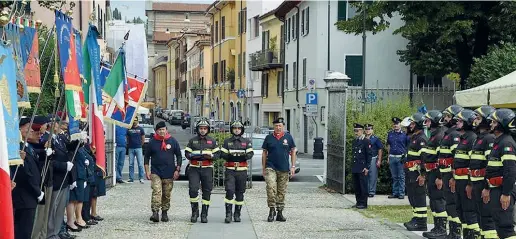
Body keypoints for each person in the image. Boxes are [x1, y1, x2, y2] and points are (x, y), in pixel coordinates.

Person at [483, 109, 516, 239]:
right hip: (495, 188)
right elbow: (491, 167)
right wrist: (487, 187)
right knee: (499, 224)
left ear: (501, 123)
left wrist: (506, 193)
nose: (490, 124)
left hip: (503, 189)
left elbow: (510, 170)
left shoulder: (506, 143)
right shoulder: (498, 142)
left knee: (505, 225)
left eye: (493, 122)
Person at [12, 117, 44, 239]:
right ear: (19, 129)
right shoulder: (18, 147)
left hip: (30, 195)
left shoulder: (26, 145)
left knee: (27, 228)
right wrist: (36, 191)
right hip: (24, 194)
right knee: (23, 230)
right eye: (28, 127)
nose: (31, 130)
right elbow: (22, 173)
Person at [144, 121, 182, 222]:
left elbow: (179, 155)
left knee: (166, 193)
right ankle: (155, 212)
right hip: (156, 171)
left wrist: (177, 169)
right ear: (156, 131)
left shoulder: (172, 141)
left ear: (166, 130)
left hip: (169, 172)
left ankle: (164, 212)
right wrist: (147, 171)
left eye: (163, 129)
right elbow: (146, 157)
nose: (161, 132)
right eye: (159, 130)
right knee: (157, 191)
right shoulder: (152, 142)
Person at [185, 118, 220, 223]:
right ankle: (194, 213)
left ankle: (204, 214)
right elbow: (187, 153)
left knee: (207, 191)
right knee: (193, 190)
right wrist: (192, 156)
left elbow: (218, 154)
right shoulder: (192, 141)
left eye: (205, 128)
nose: (203, 130)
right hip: (194, 168)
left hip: (207, 168)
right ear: (198, 129)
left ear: (208, 129)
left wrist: (211, 156)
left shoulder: (212, 141)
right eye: (201, 128)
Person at [261, 117, 297, 222]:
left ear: (283, 126)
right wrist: (263, 168)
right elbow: (264, 153)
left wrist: (293, 166)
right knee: (271, 188)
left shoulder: (288, 137)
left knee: (282, 191)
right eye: (276, 126)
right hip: (270, 167)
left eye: (280, 126)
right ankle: (272, 210)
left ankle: (280, 212)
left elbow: (293, 151)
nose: (278, 127)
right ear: (274, 127)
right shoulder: (268, 138)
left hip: (284, 168)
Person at [436, 104, 463, 238]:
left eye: (448, 116)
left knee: (453, 203)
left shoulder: (454, 135)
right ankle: (452, 232)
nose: (445, 118)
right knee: (450, 204)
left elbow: (456, 157)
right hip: (446, 174)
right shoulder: (448, 133)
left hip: (451, 175)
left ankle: (456, 233)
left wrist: (453, 176)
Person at [470, 106, 496, 239]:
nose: (475, 120)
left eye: (478, 118)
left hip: (483, 183)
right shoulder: (479, 137)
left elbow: (489, 165)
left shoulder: (489, 139)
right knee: (480, 214)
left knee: (487, 217)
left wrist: (487, 187)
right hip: (476, 182)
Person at [420, 110, 448, 239]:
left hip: (437, 173)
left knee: (438, 201)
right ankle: (437, 227)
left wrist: (439, 177)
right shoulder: (433, 135)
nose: (426, 123)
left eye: (429, 120)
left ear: (435, 121)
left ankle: (441, 229)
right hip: (431, 172)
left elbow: (440, 158)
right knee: (433, 201)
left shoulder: (439, 136)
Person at [451, 109, 478, 238]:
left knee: (470, 211)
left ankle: (472, 235)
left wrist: (469, 183)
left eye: (460, 121)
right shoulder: (463, 138)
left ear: (468, 122)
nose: (457, 123)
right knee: (461, 210)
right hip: (459, 180)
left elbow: (473, 164)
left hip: (467, 182)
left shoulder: (472, 138)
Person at [220, 120, 254, 223]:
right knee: (229, 191)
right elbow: (223, 155)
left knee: (240, 193)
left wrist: (235, 155)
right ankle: (228, 214)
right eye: (235, 128)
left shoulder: (246, 141)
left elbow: (249, 155)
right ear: (232, 130)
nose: (237, 130)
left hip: (241, 171)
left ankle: (237, 214)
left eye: (239, 128)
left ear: (242, 130)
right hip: (230, 170)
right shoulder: (227, 141)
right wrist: (239, 155)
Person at [403, 112, 428, 231]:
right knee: (413, 197)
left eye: (412, 123)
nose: (410, 126)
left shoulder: (421, 139)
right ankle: (416, 218)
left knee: (419, 197)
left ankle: (421, 222)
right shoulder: (415, 137)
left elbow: (425, 159)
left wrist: (423, 175)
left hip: (417, 174)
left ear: (417, 124)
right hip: (411, 173)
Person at [386, 117, 409, 199]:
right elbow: (389, 145)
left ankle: (401, 193)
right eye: (394, 124)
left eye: (397, 123)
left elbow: (407, 146)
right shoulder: (390, 134)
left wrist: (406, 156)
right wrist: (388, 156)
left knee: (401, 176)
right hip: (392, 157)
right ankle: (395, 193)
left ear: (400, 124)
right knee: (394, 176)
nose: (395, 125)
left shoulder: (405, 134)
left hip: (401, 157)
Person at [351, 123, 372, 209]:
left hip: (362, 167)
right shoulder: (355, 141)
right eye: (355, 131)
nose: (356, 133)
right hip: (356, 166)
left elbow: (369, 155)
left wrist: (367, 167)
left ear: (362, 131)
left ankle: (363, 203)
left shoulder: (366, 141)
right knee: (357, 186)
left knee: (363, 186)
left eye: (357, 131)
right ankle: (358, 201)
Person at [364, 124, 383, 197]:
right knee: (365, 175)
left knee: (372, 176)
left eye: (369, 129)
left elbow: (380, 149)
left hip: (373, 158)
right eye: (366, 129)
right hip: (364, 159)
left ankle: (371, 192)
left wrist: (379, 160)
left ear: (372, 130)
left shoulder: (375, 138)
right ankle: (366, 191)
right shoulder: (363, 138)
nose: (367, 130)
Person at [127, 119, 146, 184]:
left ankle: (141, 178)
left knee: (140, 164)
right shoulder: (129, 129)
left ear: (137, 121)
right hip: (131, 148)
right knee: (130, 164)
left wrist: (140, 145)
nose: (134, 122)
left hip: (138, 148)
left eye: (135, 120)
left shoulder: (141, 129)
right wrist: (128, 144)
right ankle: (131, 178)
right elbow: (127, 138)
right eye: (133, 120)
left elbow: (143, 138)